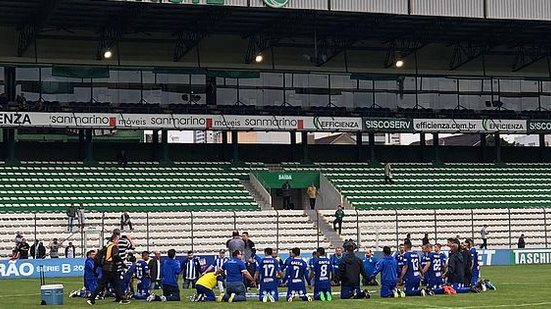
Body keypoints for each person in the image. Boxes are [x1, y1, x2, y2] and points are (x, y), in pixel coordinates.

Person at [87, 234, 129, 305]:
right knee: (103, 284)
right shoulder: (114, 246)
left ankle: (119, 298)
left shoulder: (108, 246)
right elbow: (115, 255)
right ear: (114, 240)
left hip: (106, 267)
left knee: (115, 283)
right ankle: (92, 298)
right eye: (117, 239)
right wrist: (122, 262)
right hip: (111, 268)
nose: (118, 241)